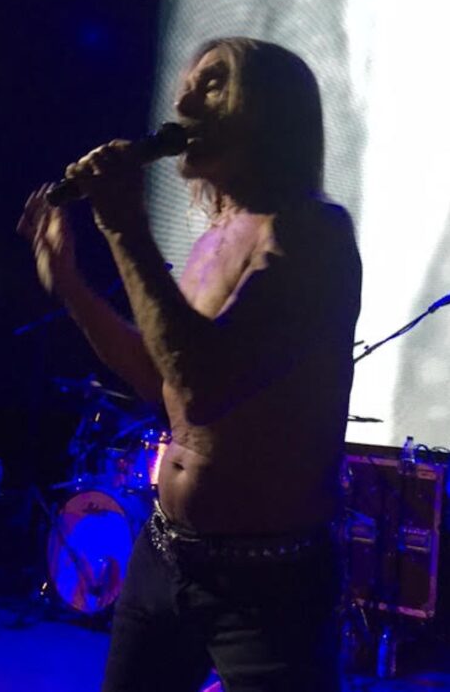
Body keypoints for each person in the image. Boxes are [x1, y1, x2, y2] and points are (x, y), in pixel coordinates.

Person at [18, 37, 362, 692]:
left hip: (267, 586)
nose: (182, 102)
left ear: (271, 111)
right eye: (188, 83)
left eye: (213, 83)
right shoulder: (211, 242)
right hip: (166, 554)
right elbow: (161, 382)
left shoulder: (313, 234)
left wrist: (124, 226)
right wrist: (71, 287)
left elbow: (204, 387)